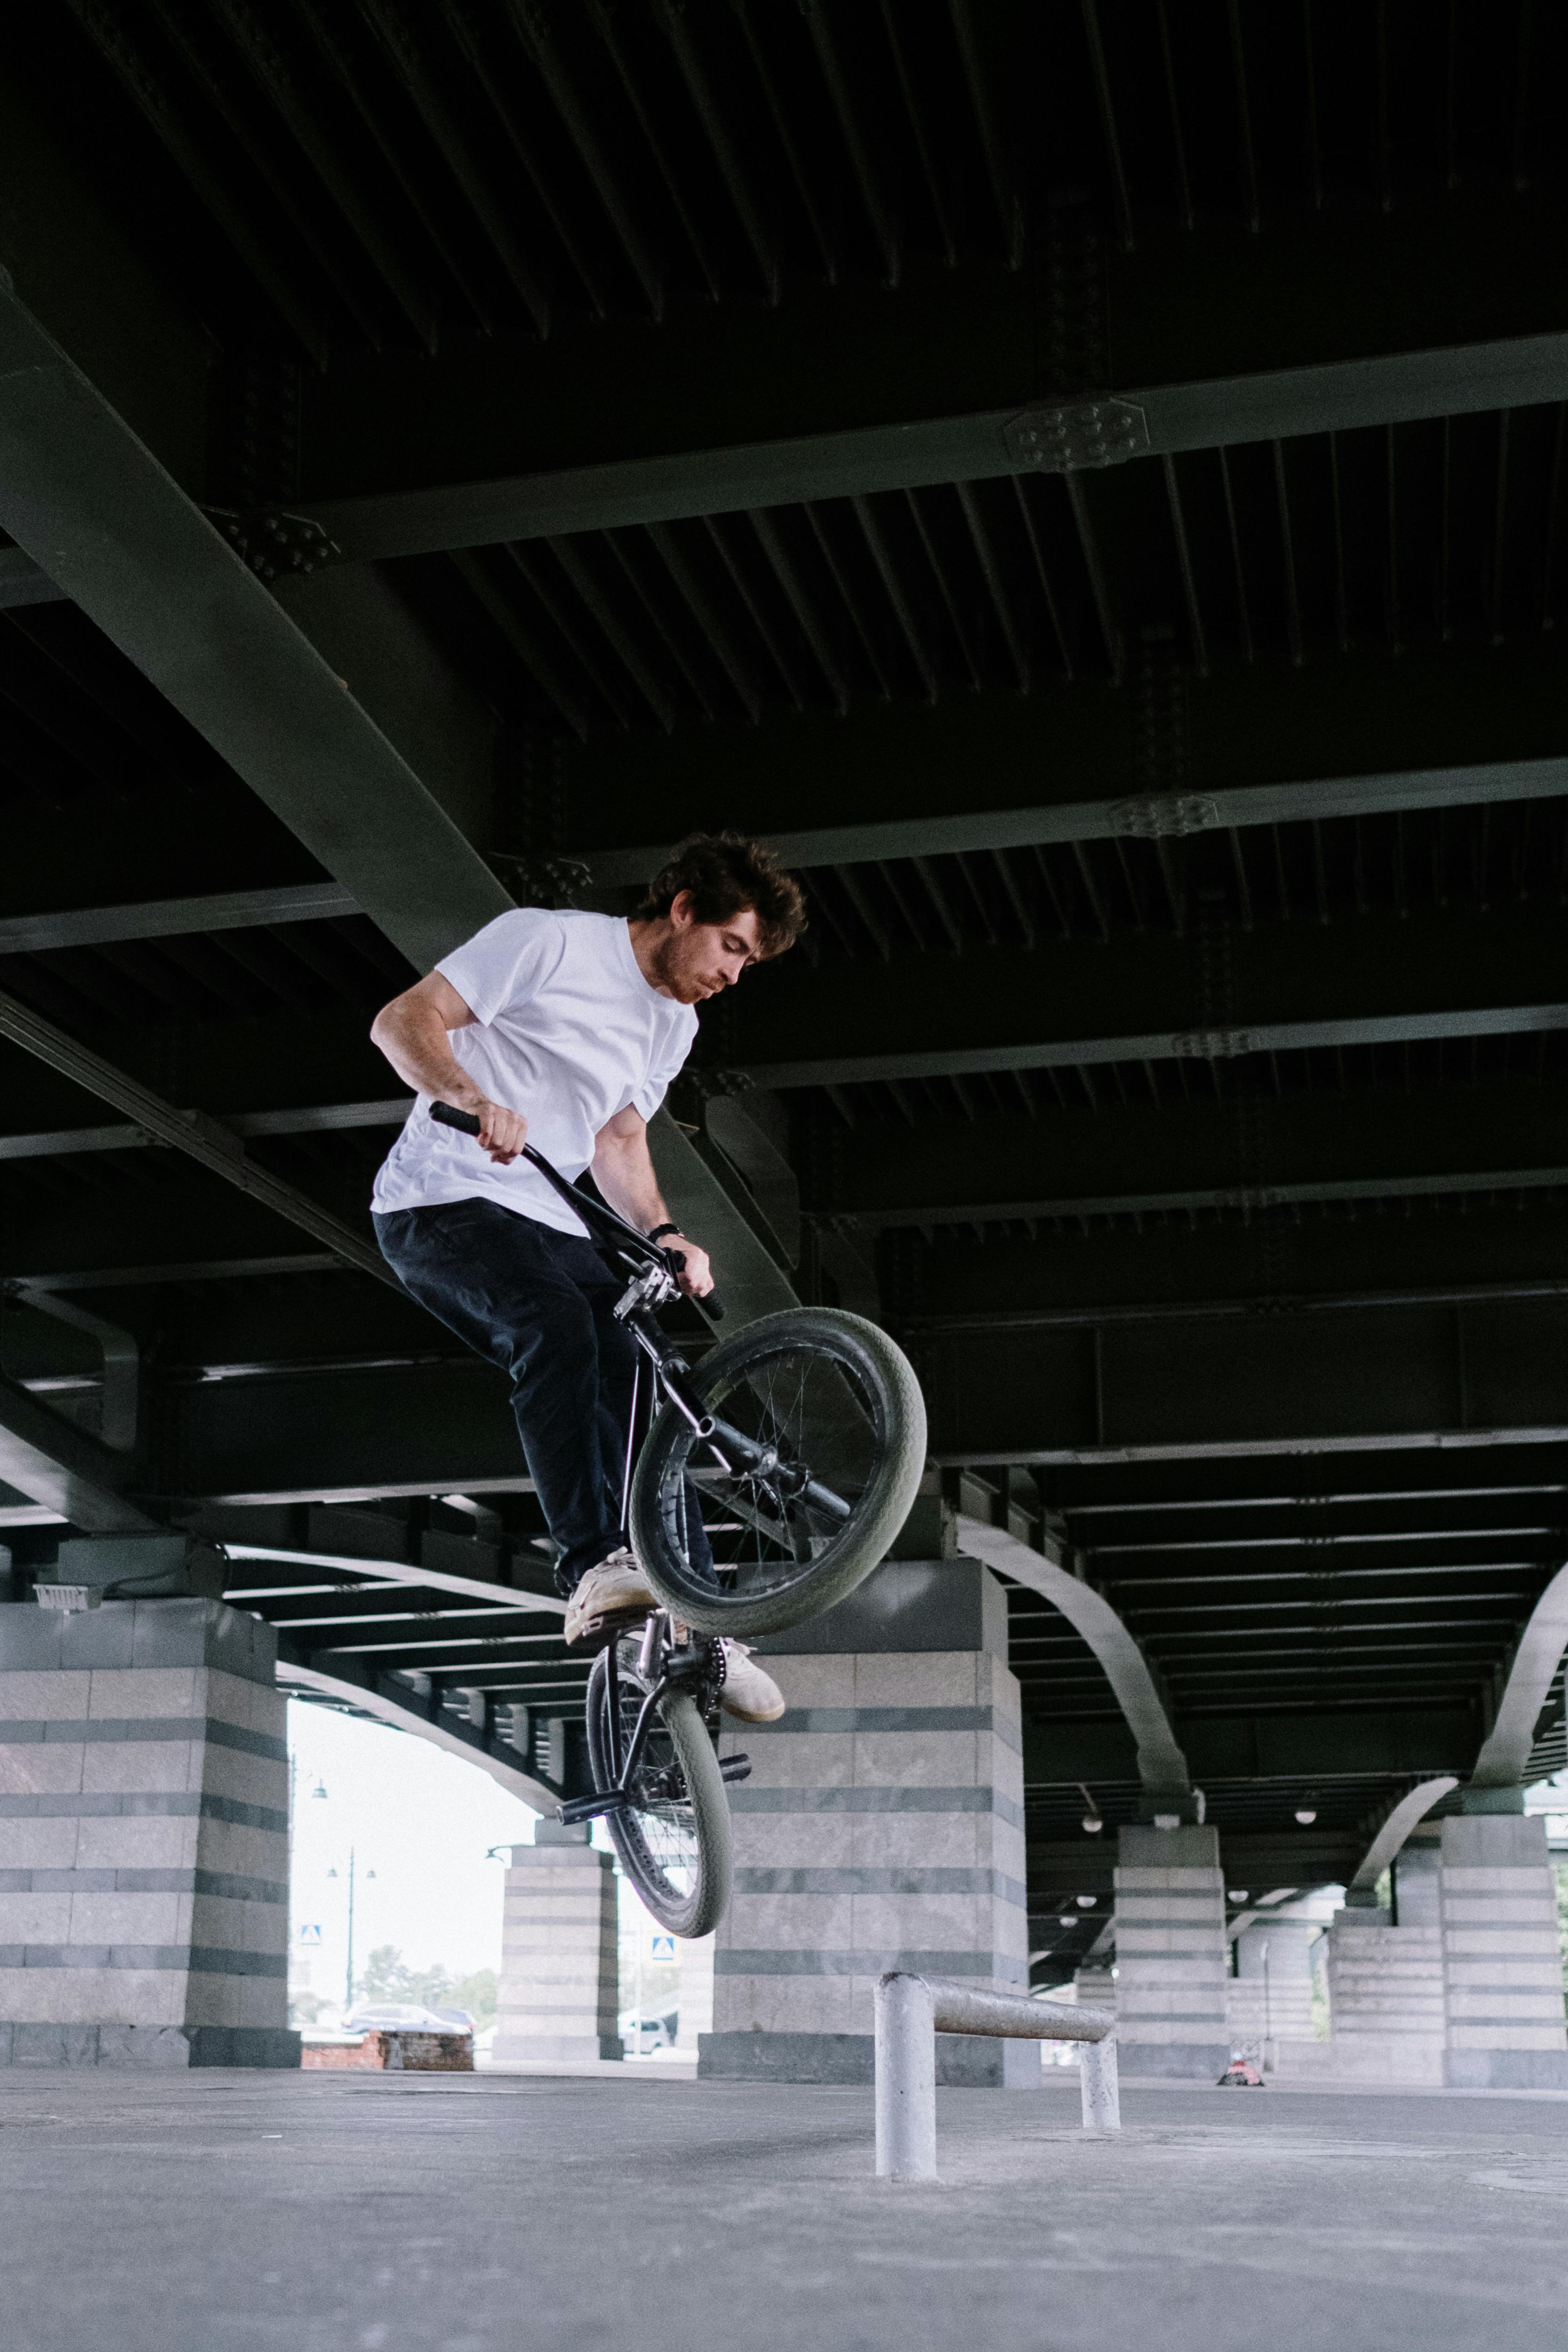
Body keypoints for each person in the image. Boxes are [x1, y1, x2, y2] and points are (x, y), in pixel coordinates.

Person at [367, 833, 806, 1726]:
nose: (734, 976)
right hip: (443, 1200)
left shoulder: (674, 1024)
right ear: (683, 910)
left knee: (648, 1381)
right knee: (559, 1333)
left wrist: (666, 1233)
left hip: (555, 1217)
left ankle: (702, 1621)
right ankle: (598, 1564)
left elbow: (617, 1141)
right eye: (732, 947)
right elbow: (401, 1020)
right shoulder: (548, 941)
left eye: (749, 963)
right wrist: (467, 1094)